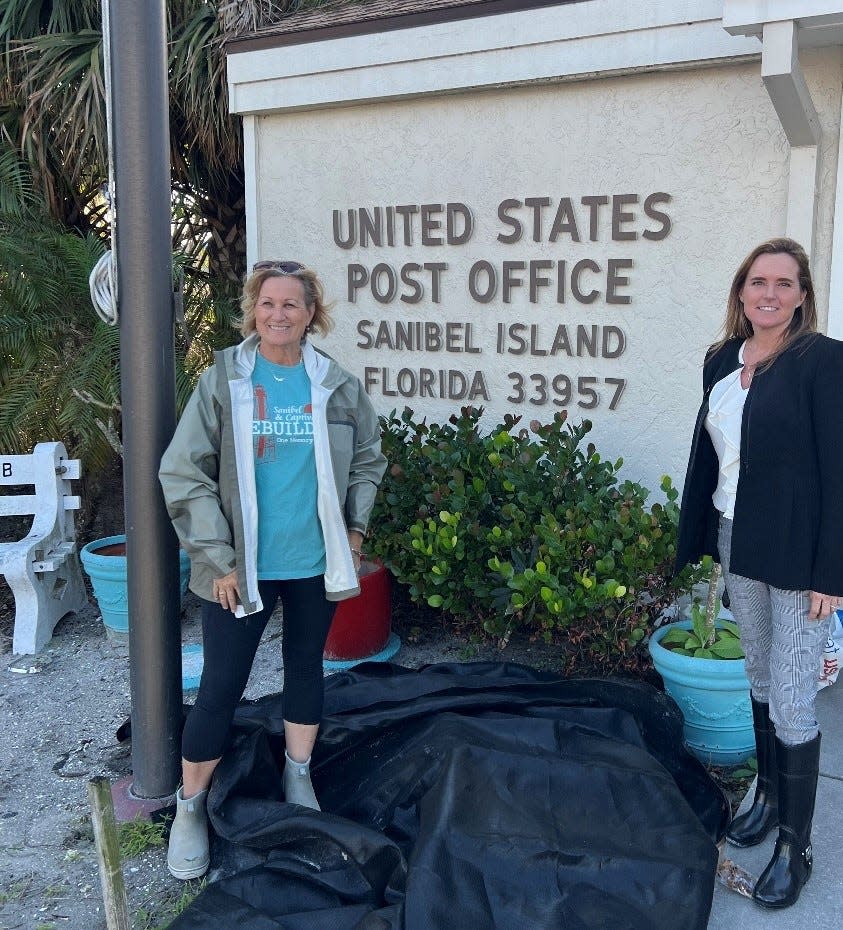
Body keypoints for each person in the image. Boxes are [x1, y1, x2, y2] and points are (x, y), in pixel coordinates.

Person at [159, 260, 387, 880]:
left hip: (313, 564)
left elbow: (369, 455)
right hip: (239, 570)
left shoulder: (334, 384)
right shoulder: (223, 380)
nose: (278, 315)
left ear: (312, 313)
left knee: (305, 671)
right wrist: (217, 556)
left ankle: (298, 773)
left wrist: (356, 527)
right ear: (252, 309)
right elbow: (184, 472)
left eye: (291, 305)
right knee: (221, 689)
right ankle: (190, 807)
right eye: (268, 304)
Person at [676, 237, 843, 909]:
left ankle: (792, 847)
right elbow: (714, 459)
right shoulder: (720, 358)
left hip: (798, 556)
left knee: (795, 695)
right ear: (740, 292)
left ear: (801, 295)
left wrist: (831, 574)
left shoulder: (822, 362)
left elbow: (837, 471)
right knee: (759, 675)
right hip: (733, 537)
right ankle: (768, 797)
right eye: (755, 281)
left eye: (782, 282)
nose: (767, 293)